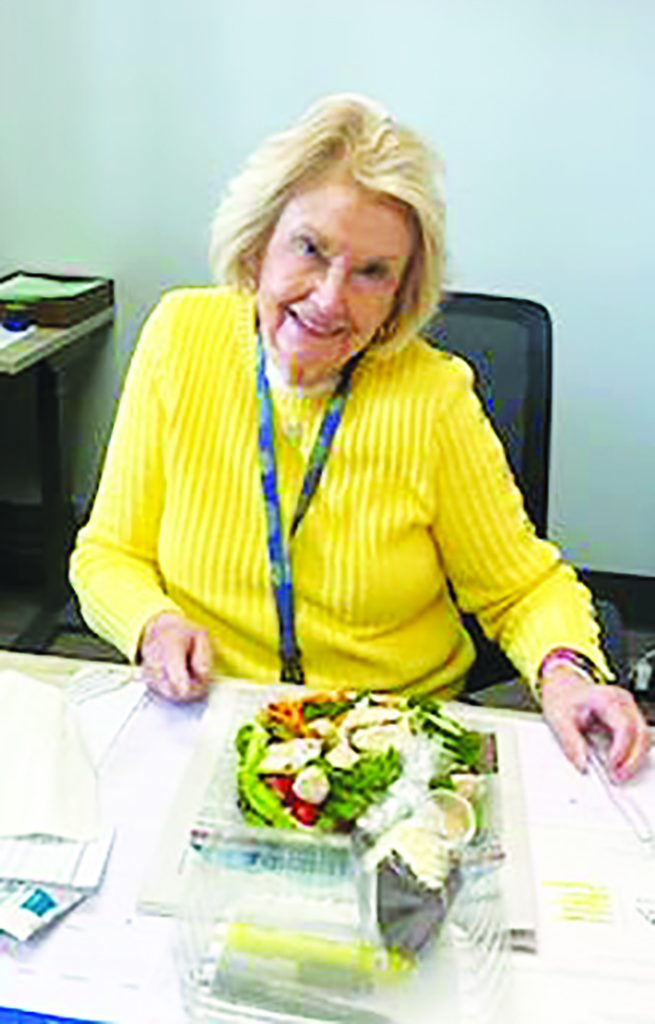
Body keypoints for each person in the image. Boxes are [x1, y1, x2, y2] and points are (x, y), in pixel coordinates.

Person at [70, 94, 650, 782]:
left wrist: (565, 671)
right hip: (213, 723)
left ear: (399, 297)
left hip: (390, 747)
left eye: (371, 272)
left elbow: (523, 589)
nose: (328, 299)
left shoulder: (432, 398)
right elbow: (109, 553)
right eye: (310, 248)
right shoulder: (179, 338)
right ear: (258, 245)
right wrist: (151, 625)